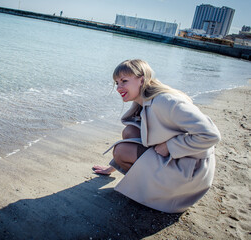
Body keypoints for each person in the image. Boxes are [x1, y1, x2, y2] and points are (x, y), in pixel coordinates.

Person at [93, 59, 221, 213]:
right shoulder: (144, 100)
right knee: (130, 132)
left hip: (190, 173)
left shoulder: (165, 101)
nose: (118, 88)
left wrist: (169, 146)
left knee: (122, 150)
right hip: (181, 161)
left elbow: (211, 135)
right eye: (116, 83)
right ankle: (145, 186)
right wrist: (112, 167)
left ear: (141, 79)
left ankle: (155, 194)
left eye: (124, 81)